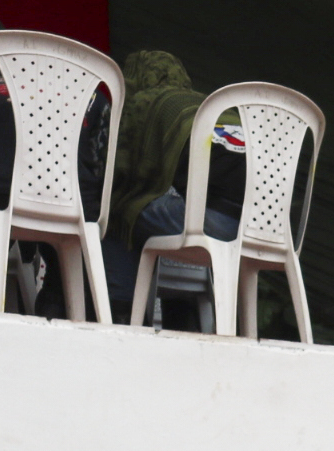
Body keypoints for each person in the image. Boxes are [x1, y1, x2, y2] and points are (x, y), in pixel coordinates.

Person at [100, 50, 244, 325]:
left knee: (119, 209)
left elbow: (126, 174)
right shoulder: (210, 103)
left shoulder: (147, 101)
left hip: (213, 223)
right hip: (262, 230)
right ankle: (185, 324)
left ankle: (120, 316)